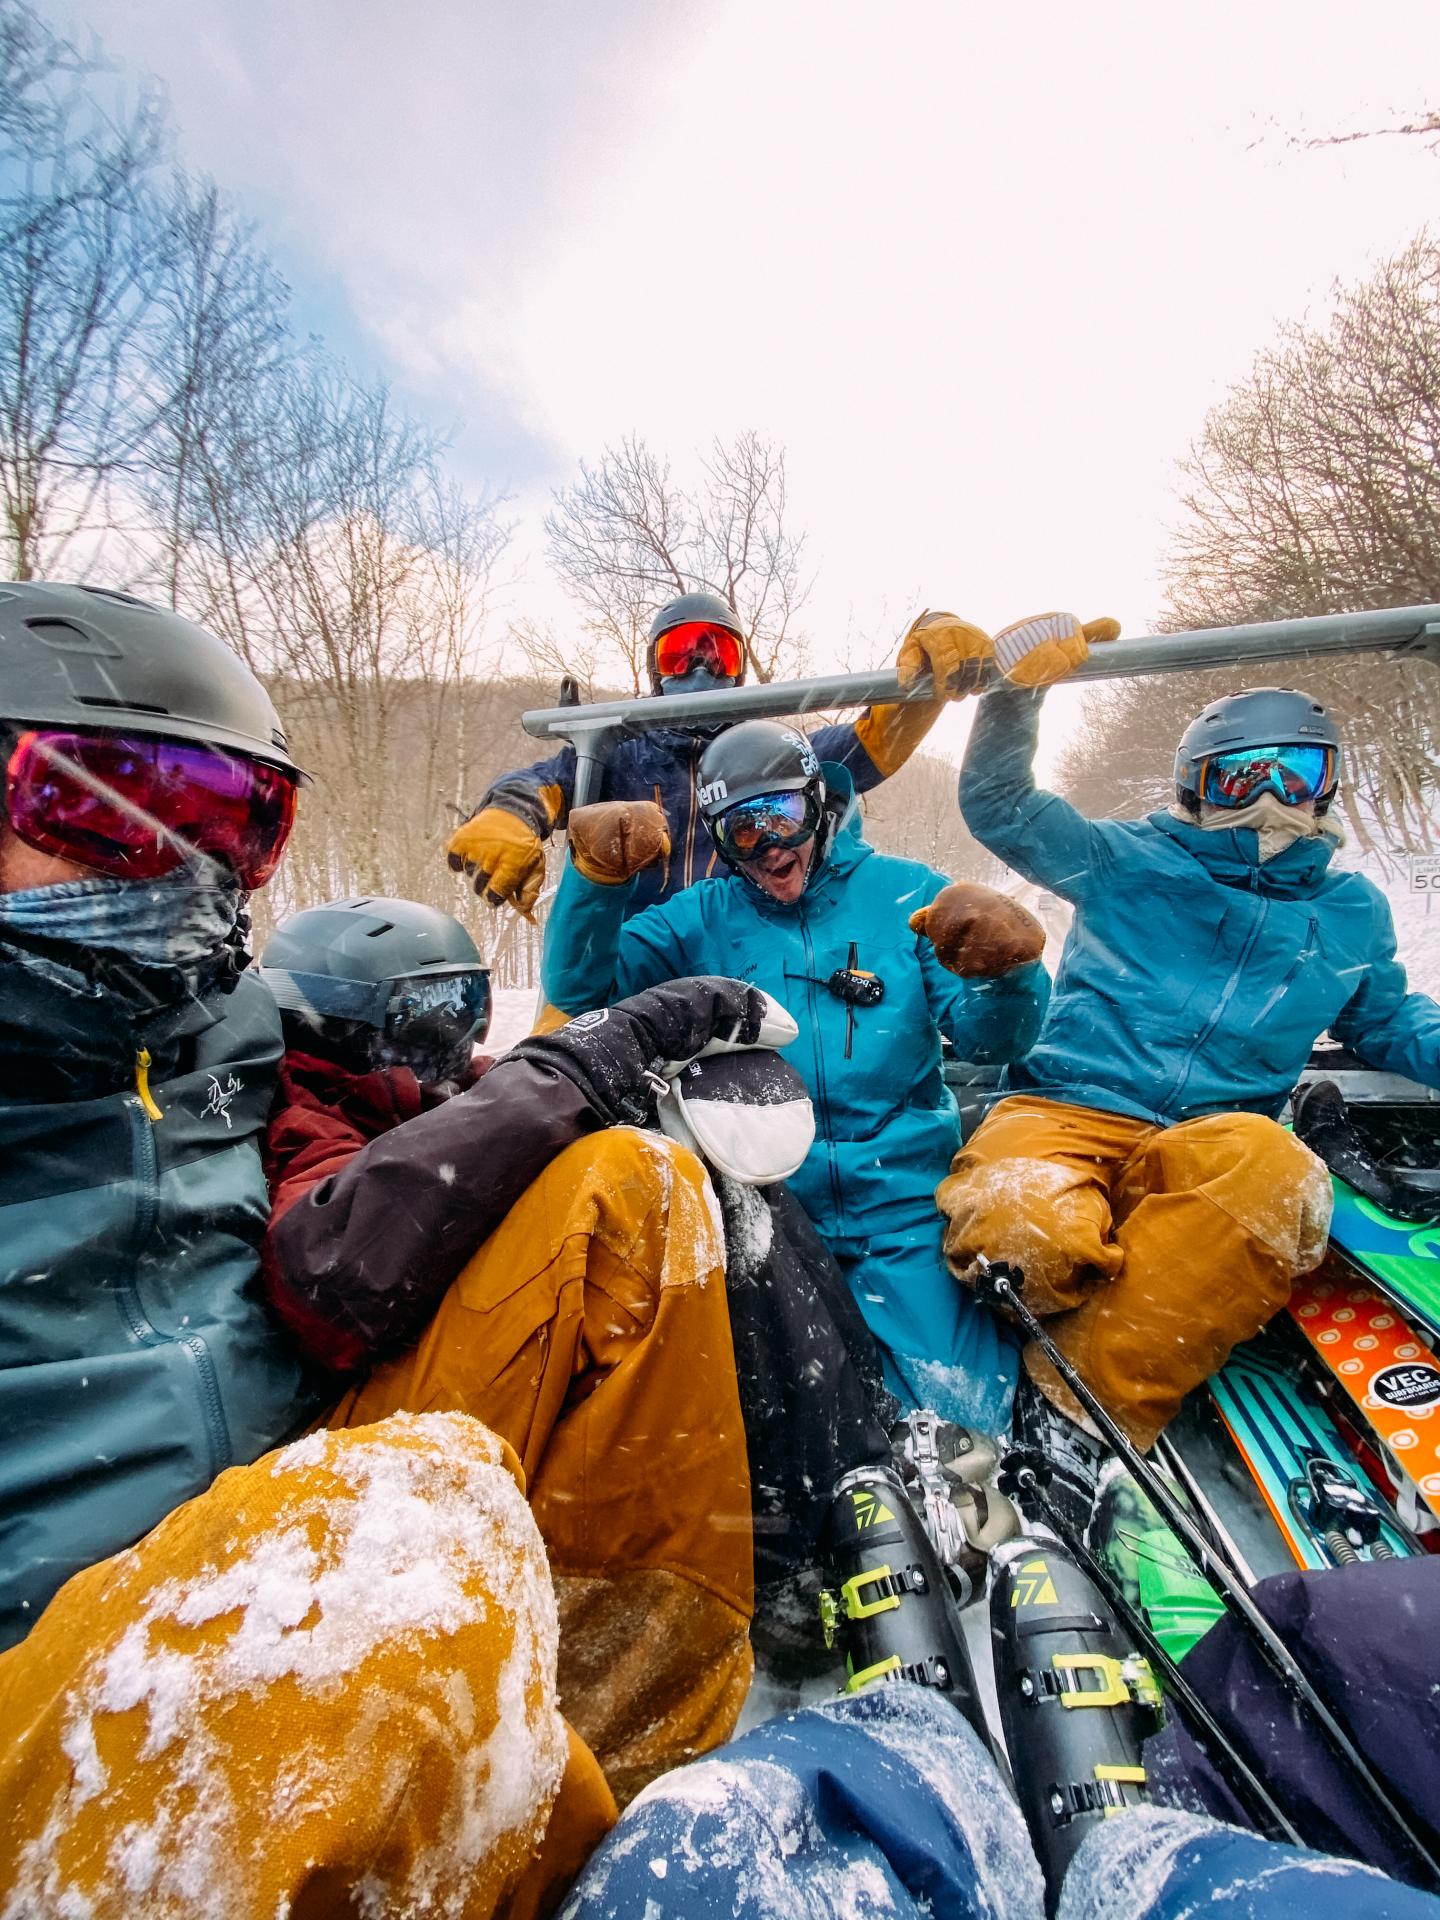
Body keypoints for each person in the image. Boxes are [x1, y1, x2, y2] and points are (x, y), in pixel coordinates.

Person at [0, 582, 775, 1813]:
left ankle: (628, 1784)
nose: (192, 873)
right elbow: (341, 1251)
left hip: (300, 1477)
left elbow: (435, 1090)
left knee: (629, 1188)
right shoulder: (620, 746)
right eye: (110, 810)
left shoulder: (222, 1024)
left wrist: (578, 1055)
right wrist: (561, 860)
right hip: (69, 1665)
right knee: (394, 1645)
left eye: (234, 824)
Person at [942, 611, 1440, 1464]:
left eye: (1296, 770)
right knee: (1020, 1234)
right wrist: (1017, 697)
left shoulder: (1350, 911)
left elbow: (1386, 1019)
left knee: (1280, 1179)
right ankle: (1146, 1281)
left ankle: (1071, 1414)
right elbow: (999, 805)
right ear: (1195, 785)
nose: (1270, 797)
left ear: (1328, 785)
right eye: (1240, 775)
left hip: (1216, 1136)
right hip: (1068, 1108)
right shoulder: (1126, 859)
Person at [539, 717, 1052, 1433]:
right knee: (790, 1430)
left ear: (819, 801)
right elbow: (582, 987)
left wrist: (1010, 979)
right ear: (717, 841)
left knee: (972, 1415)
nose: (770, 847)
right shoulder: (696, 921)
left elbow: (994, 1039)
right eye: (741, 831)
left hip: (903, 1208)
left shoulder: (909, 898)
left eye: (782, 815)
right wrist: (595, 884)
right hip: (767, 1213)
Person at [445, 591, 996, 918]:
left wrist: (924, 673)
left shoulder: (772, 756)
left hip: (740, 955)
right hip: (633, 961)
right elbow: (544, 782)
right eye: (680, 655)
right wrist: (508, 813)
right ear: (656, 674)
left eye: (716, 650)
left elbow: (867, 745)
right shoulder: (618, 755)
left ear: (738, 667)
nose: (701, 668)